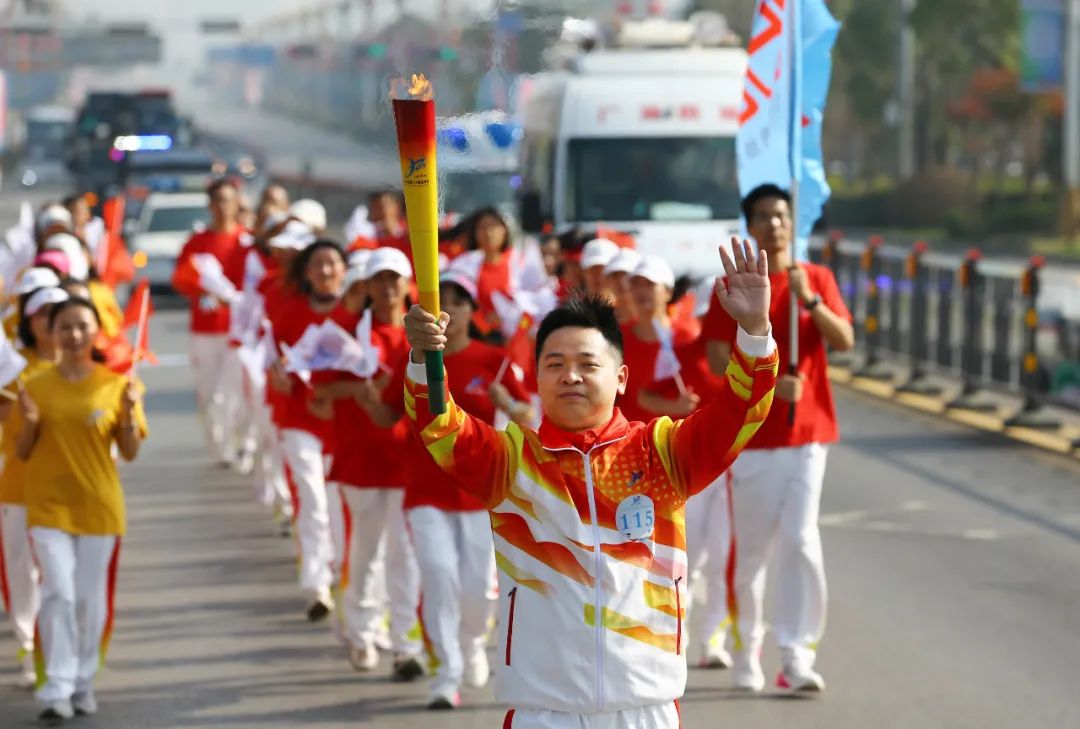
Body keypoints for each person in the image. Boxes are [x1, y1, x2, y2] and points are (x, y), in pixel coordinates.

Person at [403, 239, 777, 729]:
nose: (570, 376)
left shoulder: (662, 455)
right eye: (554, 364)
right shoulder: (512, 464)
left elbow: (740, 412)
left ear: (621, 378)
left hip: (644, 707)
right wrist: (422, 358)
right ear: (537, 377)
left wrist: (754, 331)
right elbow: (436, 422)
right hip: (543, 710)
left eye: (588, 364)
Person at [701, 184, 854, 693]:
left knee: (801, 539)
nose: (775, 224)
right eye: (764, 216)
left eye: (782, 215)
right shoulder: (732, 287)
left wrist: (808, 300)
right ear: (750, 226)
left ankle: (796, 653)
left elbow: (844, 340)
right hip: (752, 438)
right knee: (750, 555)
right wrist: (767, 379)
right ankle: (747, 647)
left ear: (794, 223)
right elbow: (718, 358)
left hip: (808, 434)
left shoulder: (816, 279)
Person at [376, 270, 534, 709]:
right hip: (426, 489)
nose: (448, 312)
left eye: (457, 302)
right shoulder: (415, 360)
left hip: (479, 491)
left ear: (470, 311)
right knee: (438, 575)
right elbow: (389, 412)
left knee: (476, 588)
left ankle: (470, 646)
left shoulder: (493, 359)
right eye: (438, 304)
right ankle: (446, 672)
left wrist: (510, 404)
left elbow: (528, 416)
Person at [14, 297, 147, 720]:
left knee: (91, 602)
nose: (73, 335)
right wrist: (31, 423)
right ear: (51, 333)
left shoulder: (116, 385)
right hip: (48, 506)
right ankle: (56, 685)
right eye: (65, 327)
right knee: (59, 593)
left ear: (96, 332)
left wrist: (127, 414)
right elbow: (21, 451)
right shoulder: (33, 385)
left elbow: (129, 452)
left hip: (98, 507)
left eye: (82, 327)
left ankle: (83, 681)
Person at [314, 247, 423, 680]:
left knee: (405, 554)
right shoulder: (344, 331)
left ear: (407, 283)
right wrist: (355, 392)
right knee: (365, 550)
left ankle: (405, 643)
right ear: (368, 285)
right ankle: (361, 633)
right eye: (380, 278)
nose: (388, 286)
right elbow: (318, 395)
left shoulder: (422, 336)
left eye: (395, 278)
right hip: (360, 456)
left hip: (408, 458)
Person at [268, 239, 348, 621]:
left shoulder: (356, 314)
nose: (326, 271)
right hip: (299, 418)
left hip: (343, 423)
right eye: (318, 265)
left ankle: (336, 572)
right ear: (306, 272)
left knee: (335, 505)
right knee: (312, 500)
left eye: (332, 263)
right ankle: (316, 583)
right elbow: (274, 358)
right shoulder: (290, 311)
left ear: (344, 271)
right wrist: (278, 375)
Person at [0, 286, 67, 688]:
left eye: (58, 313)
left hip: (67, 490)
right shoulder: (11, 368)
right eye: (43, 313)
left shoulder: (86, 371)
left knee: (60, 577)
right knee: (22, 574)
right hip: (18, 486)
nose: (51, 321)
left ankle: (55, 650)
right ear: (30, 320)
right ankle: (29, 643)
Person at [171, 179, 247, 466]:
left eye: (228, 200)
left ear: (237, 202)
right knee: (209, 394)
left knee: (235, 393)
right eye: (217, 201)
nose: (223, 207)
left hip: (238, 331)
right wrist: (203, 290)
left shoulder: (247, 241)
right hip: (204, 330)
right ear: (210, 205)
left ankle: (236, 444)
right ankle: (219, 446)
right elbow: (180, 279)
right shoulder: (197, 242)